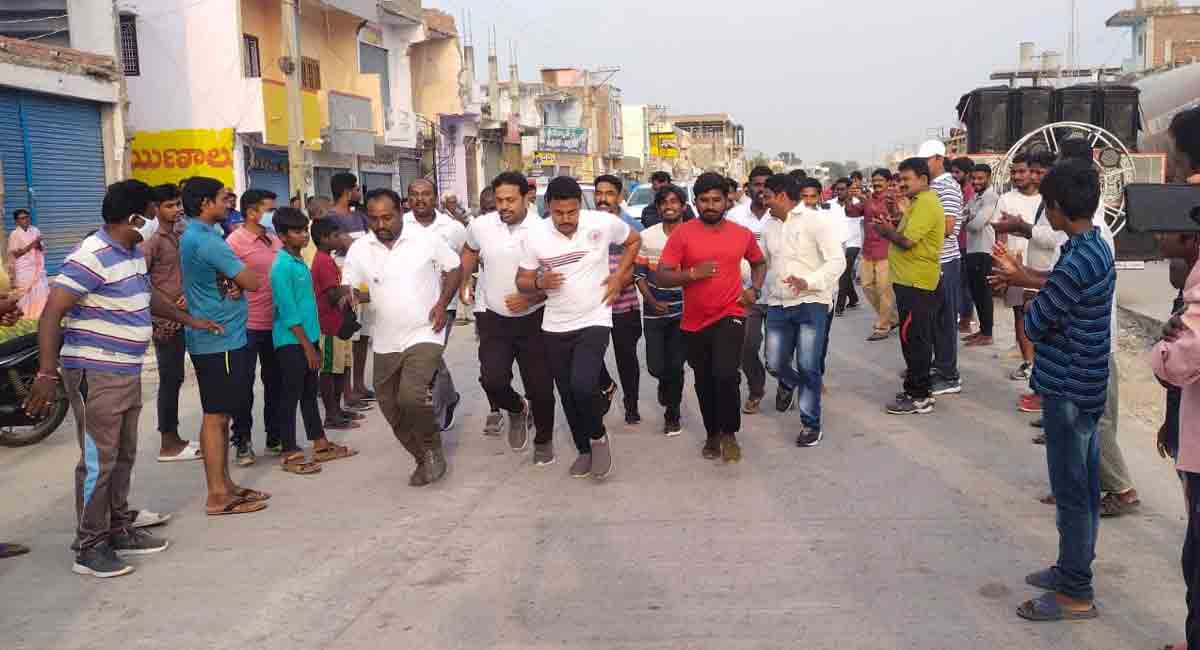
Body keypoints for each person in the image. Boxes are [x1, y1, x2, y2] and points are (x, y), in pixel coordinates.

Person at [26, 179, 222, 577]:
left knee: (123, 455)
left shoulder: (131, 251)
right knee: (99, 460)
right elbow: (51, 312)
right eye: (151, 214)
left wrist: (189, 319)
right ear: (134, 217)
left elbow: (146, 296)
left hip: (126, 369)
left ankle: (116, 528)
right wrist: (46, 373)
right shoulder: (92, 255)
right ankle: (89, 546)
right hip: (95, 372)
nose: (156, 221)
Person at [989, 161, 1113, 622]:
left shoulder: (1078, 257)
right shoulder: (1091, 246)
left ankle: (1075, 591)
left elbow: (1037, 324)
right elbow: (1062, 292)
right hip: (1086, 381)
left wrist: (1027, 289)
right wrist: (1026, 277)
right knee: (1081, 485)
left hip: (1067, 387)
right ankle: (1070, 568)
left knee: (1073, 491)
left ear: (1057, 207)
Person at [516, 176, 641, 481]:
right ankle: (584, 449)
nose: (566, 219)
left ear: (579, 207)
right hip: (555, 324)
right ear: (549, 207)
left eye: (572, 212)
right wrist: (538, 282)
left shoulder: (600, 223)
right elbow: (522, 279)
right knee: (568, 392)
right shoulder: (535, 236)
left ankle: (598, 436)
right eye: (559, 213)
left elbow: (634, 241)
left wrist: (618, 277)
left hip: (595, 317)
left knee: (584, 384)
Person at [343, 188, 462, 486]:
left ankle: (433, 447)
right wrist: (350, 295)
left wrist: (441, 303)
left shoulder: (424, 238)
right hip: (384, 339)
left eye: (388, 217)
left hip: (425, 331)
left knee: (411, 396)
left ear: (401, 211)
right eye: (374, 219)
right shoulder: (361, 249)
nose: (381, 224)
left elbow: (455, 267)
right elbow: (349, 284)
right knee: (390, 406)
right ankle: (422, 456)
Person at [655, 172, 765, 462]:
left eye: (717, 199)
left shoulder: (741, 234)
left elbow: (759, 261)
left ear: (727, 201)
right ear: (696, 201)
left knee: (726, 375)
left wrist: (755, 289)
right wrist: (692, 274)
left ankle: (729, 433)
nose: (711, 205)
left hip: (731, 313)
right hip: (694, 321)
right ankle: (712, 433)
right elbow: (662, 275)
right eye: (704, 200)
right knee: (704, 381)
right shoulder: (683, 234)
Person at [179, 176, 271, 517]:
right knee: (216, 416)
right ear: (205, 203)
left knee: (220, 413)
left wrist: (232, 280)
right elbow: (252, 279)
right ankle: (217, 494)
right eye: (222, 198)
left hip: (219, 334)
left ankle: (226, 485)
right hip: (219, 337)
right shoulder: (205, 240)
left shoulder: (204, 235)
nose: (227, 203)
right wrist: (238, 278)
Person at [459, 171, 557, 462]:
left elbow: (558, 278)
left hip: (535, 319)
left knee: (540, 388)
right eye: (499, 200)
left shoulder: (543, 231)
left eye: (510, 200)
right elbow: (469, 249)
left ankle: (543, 441)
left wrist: (532, 297)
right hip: (494, 318)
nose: (504, 206)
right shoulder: (482, 225)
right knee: (492, 380)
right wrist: (465, 279)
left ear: (527, 197)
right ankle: (516, 409)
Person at [270, 208, 357, 473]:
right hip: (291, 341)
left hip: (308, 337)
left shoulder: (298, 263)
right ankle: (289, 450)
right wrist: (308, 347)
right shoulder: (282, 267)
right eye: (297, 232)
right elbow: (288, 312)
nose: (304, 236)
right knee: (291, 395)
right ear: (283, 236)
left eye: (304, 230)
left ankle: (319, 442)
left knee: (309, 392)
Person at [761, 174, 845, 446]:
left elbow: (837, 262)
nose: (764, 200)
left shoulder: (816, 221)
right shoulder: (769, 225)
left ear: (782, 196)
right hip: (777, 302)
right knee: (773, 363)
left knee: (809, 365)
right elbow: (762, 261)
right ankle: (792, 382)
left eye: (767, 195)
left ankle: (811, 425)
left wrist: (808, 282)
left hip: (811, 301)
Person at [874, 158, 945, 415]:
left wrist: (885, 232)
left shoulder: (926, 203)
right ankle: (917, 389)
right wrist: (891, 224)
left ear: (923, 180)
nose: (902, 184)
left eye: (907, 179)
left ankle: (919, 395)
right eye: (900, 179)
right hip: (910, 281)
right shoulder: (917, 203)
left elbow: (907, 242)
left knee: (915, 340)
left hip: (917, 283)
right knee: (912, 338)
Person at [140, 184, 204, 462]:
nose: (177, 210)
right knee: (170, 378)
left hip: (186, 314)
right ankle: (167, 441)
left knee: (179, 376)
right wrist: (166, 303)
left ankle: (175, 437)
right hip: (165, 320)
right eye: (169, 205)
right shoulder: (151, 240)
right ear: (156, 209)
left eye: (178, 204)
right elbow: (140, 279)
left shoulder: (180, 233)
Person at [225, 189, 283, 465]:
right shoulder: (234, 242)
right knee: (242, 386)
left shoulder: (274, 241)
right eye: (269, 209)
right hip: (246, 323)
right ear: (251, 212)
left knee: (275, 382)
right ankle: (243, 441)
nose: (273, 215)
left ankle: (275, 435)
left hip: (275, 323)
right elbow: (223, 276)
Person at [404, 179, 466, 431]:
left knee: (429, 356)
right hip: (407, 303)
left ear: (436, 197)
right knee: (419, 356)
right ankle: (450, 397)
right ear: (408, 198)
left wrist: (461, 287)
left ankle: (437, 417)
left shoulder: (452, 228)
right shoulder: (399, 225)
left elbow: (465, 260)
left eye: (426, 194)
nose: (420, 199)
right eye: (414, 194)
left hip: (443, 303)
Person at [636, 184, 688, 437]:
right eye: (665, 202)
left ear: (683, 207)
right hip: (653, 311)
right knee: (657, 367)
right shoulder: (648, 237)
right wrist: (651, 300)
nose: (670, 206)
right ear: (658, 208)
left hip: (684, 313)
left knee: (676, 365)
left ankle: (672, 414)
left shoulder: (692, 235)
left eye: (674, 202)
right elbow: (639, 274)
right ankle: (664, 385)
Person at [594, 174, 644, 424]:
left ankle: (631, 404)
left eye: (609, 193)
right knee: (589, 355)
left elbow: (639, 267)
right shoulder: (587, 224)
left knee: (626, 357)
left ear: (620, 196)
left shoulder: (632, 226)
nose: (603, 199)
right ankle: (605, 385)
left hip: (625, 305)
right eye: (599, 193)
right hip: (593, 307)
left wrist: (619, 281)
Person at [916, 140, 964, 397]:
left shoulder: (947, 188)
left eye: (925, 160)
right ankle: (940, 364)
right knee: (934, 320)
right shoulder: (933, 187)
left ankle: (949, 374)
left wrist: (918, 230)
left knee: (945, 320)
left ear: (937, 159)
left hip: (945, 260)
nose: (923, 165)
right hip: (932, 261)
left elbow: (947, 228)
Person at [727, 165, 773, 414]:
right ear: (748, 187)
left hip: (780, 294)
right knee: (747, 346)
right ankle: (756, 388)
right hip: (747, 294)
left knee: (778, 354)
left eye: (767, 185)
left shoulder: (780, 214)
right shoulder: (735, 216)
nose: (761, 190)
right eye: (757, 184)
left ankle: (787, 385)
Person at [992, 153, 1042, 381]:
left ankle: (1044, 365)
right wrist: (1001, 265)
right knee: (1020, 315)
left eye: (1021, 171)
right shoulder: (1005, 199)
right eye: (1013, 172)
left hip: (1042, 266)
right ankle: (1029, 363)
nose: (1017, 176)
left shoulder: (1047, 199)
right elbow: (1000, 233)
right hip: (1014, 266)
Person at [329, 172, 375, 409]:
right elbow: (355, 245)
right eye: (356, 189)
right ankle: (347, 390)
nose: (359, 193)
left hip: (365, 280)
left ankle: (359, 383)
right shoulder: (331, 218)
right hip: (347, 281)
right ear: (348, 191)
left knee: (363, 334)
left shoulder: (360, 216)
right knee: (349, 334)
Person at [851, 169, 900, 341]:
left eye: (880, 180)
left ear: (887, 182)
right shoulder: (867, 200)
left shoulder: (893, 199)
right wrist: (851, 197)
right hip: (868, 251)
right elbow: (850, 212)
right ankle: (892, 318)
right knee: (866, 286)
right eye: (874, 180)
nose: (877, 183)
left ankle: (883, 326)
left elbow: (898, 219)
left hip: (886, 252)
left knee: (884, 290)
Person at [961, 163, 999, 347]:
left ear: (988, 178)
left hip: (984, 250)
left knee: (983, 293)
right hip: (972, 249)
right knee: (975, 292)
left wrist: (967, 222)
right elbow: (964, 216)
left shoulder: (991, 197)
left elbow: (977, 224)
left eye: (980, 178)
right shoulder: (976, 196)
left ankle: (988, 333)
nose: (976, 182)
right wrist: (969, 219)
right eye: (973, 178)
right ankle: (983, 330)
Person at [8, 208, 48, 318]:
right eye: (22, 218)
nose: (25, 220)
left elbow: (41, 248)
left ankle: (39, 313)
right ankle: (24, 314)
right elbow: (16, 254)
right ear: (17, 221)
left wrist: (39, 243)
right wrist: (33, 243)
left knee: (40, 289)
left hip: (37, 265)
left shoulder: (35, 230)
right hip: (23, 267)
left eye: (27, 217)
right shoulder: (14, 234)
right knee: (24, 290)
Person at [830, 178, 863, 316]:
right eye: (837, 189)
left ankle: (839, 307)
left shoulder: (859, 204)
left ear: (849, 190)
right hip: (837, 243)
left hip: (853, 243)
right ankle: (854, 298)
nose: (839, 191)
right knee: (845, 273)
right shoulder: (829, 205)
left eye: (842, 189)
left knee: (844, 271)